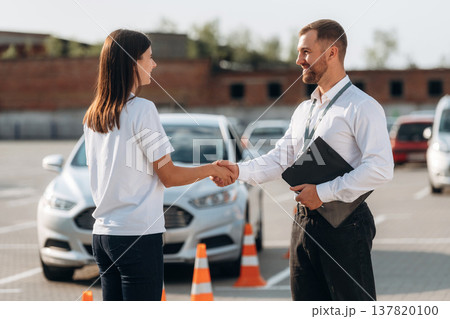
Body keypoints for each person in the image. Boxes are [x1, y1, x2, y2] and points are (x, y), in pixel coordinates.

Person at [213, 19, 394, 301]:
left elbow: (381, 169)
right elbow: (280, 159)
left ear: (332, 52)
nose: (299, 60)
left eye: (306, 52)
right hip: (303, 222)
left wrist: (321, 193)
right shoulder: (304, 110)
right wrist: (238, 170)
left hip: (344, 224)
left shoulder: (362, 107)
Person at [83, 29, 233, 301]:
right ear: (132, 63)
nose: (154, 64)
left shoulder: (94, 115)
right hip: (137, 235)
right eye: (149, 57)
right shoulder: (142, 110)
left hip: (103, 236)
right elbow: (170, 176)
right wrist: (211, 168)